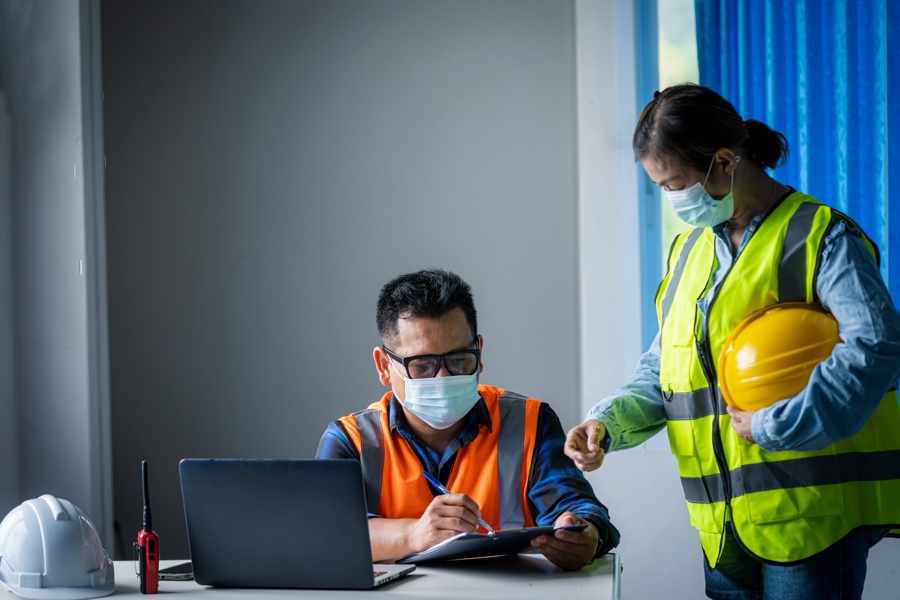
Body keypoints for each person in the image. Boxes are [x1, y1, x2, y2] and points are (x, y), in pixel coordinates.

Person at [564, 84, 900, 599]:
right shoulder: (687, 252)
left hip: (807, 521)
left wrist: (775, 424)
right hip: (722, 528)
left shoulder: (821, 236)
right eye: (660, 186)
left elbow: (876, 346)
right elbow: (667, 371)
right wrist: (606, 423)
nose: (672, 199)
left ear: (725, 161)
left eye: (675, 183)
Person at [317, 268, 619, 570]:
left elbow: (581, 510)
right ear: (384, 366)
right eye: (422, 365)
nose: (444, 377)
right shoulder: (350, 440)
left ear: (479, 351)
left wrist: (585, 534)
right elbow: (325, 531)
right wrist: (413, 534)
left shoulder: (530, 422)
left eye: (460, 360)